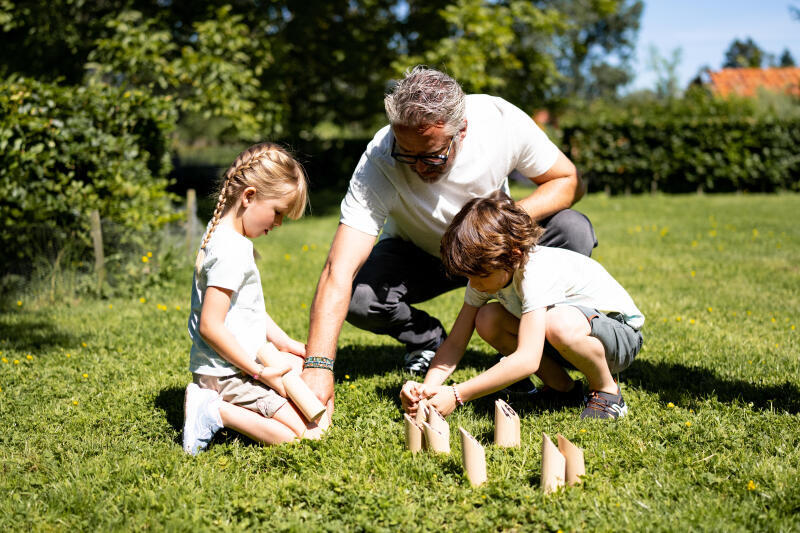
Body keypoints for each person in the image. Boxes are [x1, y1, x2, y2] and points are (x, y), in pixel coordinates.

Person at [302, 66, 596, 415]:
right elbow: (339, 269)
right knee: (362, 298)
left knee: (573, 229)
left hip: (493, 252)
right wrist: (318, 366)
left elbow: (569, 181)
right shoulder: (380, 159)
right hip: (420, 255)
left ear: (463, 131)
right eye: (406, 154)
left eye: (431, 155)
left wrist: (499, 224)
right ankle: (427, 340)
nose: (418, 167)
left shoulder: (499, 120)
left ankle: (537, 341)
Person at [399, 192, 644, 420]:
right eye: (469, 277)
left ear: (514, 256)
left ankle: (607, 392)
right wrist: (428, 390)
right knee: (487, 318)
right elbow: (455, 343)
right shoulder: (486, 273)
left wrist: (457, 394)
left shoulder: (535, 272)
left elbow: (528, 359)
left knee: (557, 323)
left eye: (480, 277)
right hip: (570, 340)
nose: (473, 284)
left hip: (619, 337)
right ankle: (563, 389)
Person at [182, 142, 328, 455]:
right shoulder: (230, 251)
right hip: (228, 375)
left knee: (307, 377)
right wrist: (258, 373)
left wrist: (286, 343)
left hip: (241, 364)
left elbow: (245, 312)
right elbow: (211, 326)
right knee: (310, 436)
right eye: (277, 213)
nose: (277, 225)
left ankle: (229, 402)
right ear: (249, 197)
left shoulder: (226, 235)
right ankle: (213, 410)